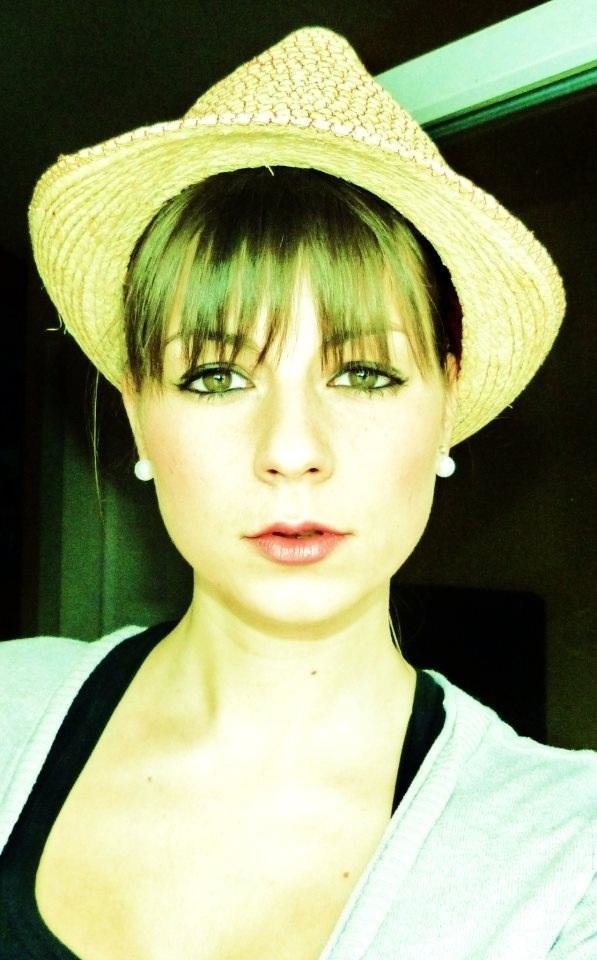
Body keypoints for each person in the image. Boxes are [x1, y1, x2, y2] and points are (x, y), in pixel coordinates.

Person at [0, 26, 594, 960]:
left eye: (362, 374)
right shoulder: (7, 708)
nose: (290, 451)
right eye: (215, 378)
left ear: (448, 405)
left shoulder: (568, 858)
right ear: (137, 414)